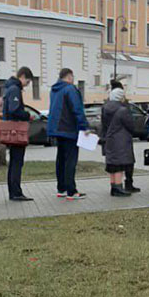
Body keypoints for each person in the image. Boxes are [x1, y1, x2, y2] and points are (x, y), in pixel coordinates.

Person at [47, 68, 90, 200]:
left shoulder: (54, 90)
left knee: (61, 159)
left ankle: (62, 188)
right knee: (70, 161)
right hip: (69, 129)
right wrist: (84, 126)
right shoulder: (70, 89)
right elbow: (77, 109)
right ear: (69, 77)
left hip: (57, 129)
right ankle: (71, 191)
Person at [1, 66, 34, 202]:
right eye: (28, 81)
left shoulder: (9, 88)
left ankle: (14, 191)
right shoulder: (15, 89)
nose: (27, 85)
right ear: (22, 76)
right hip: (16, 131)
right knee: (17, 162)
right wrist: (27, 114)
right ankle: (15, 192)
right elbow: (14, 109)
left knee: (14, 162)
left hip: (11, 131)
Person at [101, 86, 134, 197]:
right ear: (121, 97)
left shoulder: (104, 108)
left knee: (112, 164)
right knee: (119, 164)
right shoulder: (123, 110)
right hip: (120, 139)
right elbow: (131, 125)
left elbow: (104, 124)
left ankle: (113, 186)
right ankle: (119, 187)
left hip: (109, 139)